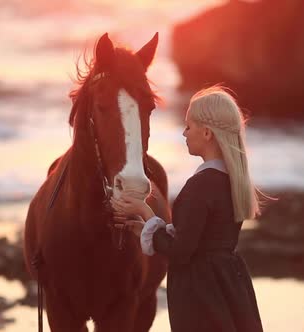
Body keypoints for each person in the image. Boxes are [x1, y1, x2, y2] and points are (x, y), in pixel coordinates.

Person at [111, 85, 264, 332]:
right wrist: (148, 230)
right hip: (227, 281)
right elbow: (200, 237)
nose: (184, 133)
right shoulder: (230, 180)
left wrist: (146, 212)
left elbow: (181, 251)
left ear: (206, 133)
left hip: (201, 291)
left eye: (189, 126)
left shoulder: (201, 185)